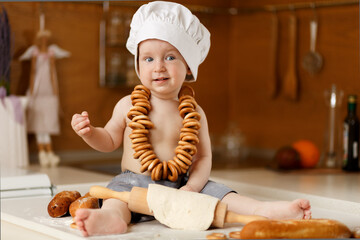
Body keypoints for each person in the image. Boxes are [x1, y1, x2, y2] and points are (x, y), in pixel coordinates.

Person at [71, 1, 311, 237]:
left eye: (170, 57)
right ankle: (111, 220)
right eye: (148, 59)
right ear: (137, 65)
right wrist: (90, 132)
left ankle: (264, 210)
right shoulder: (127, 105)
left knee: (223, 194)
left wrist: (192, 187)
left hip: (182, 184)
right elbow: (109, 140)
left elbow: (203, 157)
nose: (159, 68)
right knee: (115, 198)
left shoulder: (194, 112)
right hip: (134, 183)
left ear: (188, 65)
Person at [20, 29, 70, 167]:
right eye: (42, 39)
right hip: (38, 89)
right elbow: (32, 72)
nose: (44, 41)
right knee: (39, 124)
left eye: (45, 39)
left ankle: (48, 153)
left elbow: (53, 73)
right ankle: (44, 153)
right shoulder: (35, 53)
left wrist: (55, 90)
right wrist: (31, 90)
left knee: (45, 123)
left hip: (48, 89)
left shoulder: (51, 53)